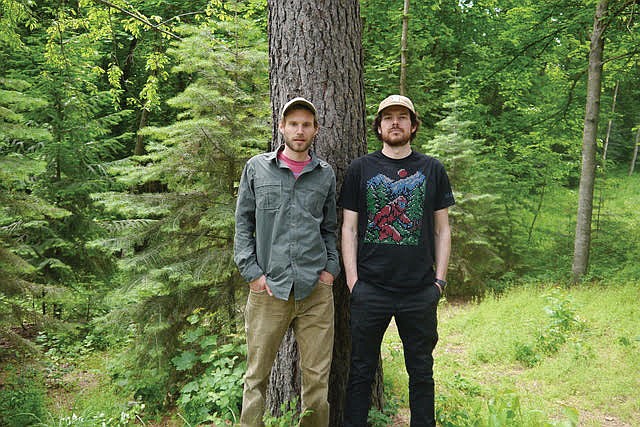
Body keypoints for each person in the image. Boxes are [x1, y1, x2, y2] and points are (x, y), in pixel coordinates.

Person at [340, 95, 455, 427]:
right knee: (361, 370)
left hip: (419, 290)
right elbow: (348, 228)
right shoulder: (361, 169)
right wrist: (353, 282)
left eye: (402, 117)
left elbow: (442, 230)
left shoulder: (432, 168)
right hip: (370, 289)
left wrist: (439, 282)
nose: (395, 122)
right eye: (387, 117)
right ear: (378, 126)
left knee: (421, 372)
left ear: (413, 125)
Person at [234, 97, 340, 427]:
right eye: (293, 123)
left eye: (306, 124)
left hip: (315, 293)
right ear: (281, 127)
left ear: (315, 130)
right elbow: (243, 223)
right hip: (269, 291)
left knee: (317, 384)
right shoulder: (257, 168)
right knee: (255, 379)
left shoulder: (324, 175)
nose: (299, 130)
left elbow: (329, 228)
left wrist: (330, 270)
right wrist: (252, 273)